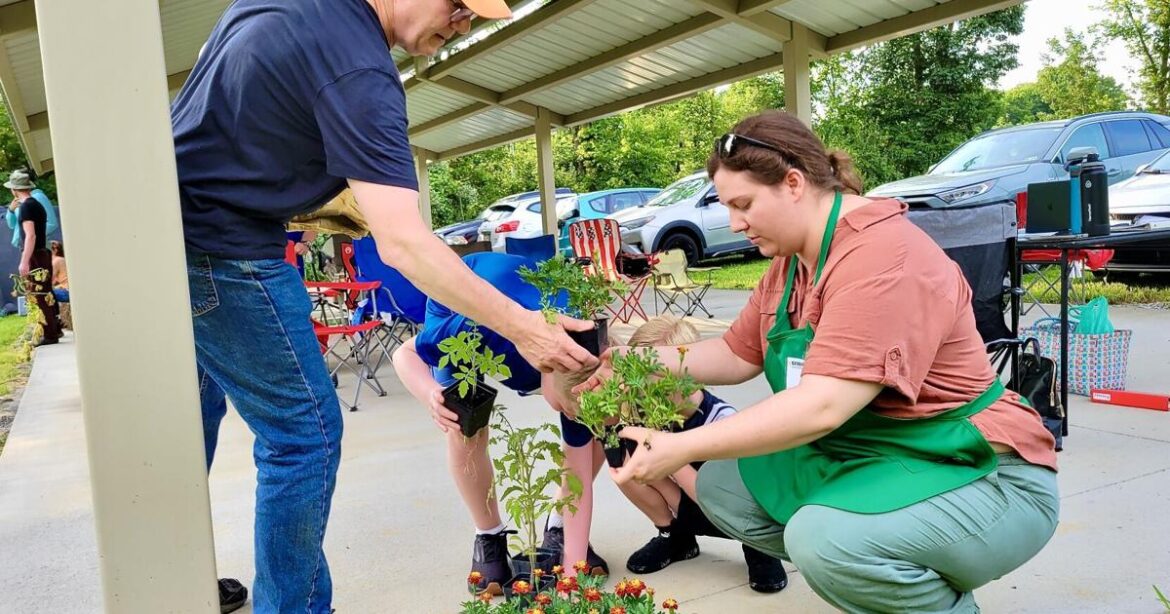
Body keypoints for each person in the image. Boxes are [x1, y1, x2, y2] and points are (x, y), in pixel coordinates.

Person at [170, 1, 596, 612]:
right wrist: (526, 329)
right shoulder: (361, 71)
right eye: (458, 3)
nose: (463, 21)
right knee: (305, 438)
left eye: (474, 14)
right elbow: (404, 245)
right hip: (226, 250)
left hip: (171, 238)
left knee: (188, 423)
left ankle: (168, 580)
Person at [588, 110, 1060, 613]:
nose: (735, 223)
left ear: (793, 183)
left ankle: (896, 575)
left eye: (743, 204)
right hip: (871, 454)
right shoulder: (791, 263)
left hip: (980, 468)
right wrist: (632, 359)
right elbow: (734, 353)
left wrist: (680, 446)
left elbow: (822, 407)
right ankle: (888, 578)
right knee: (725, 487)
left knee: (825, 542)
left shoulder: (883, 257)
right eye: (728, 207)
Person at [393, 252, 610, 596]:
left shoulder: (585, 351)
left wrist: (573, 573)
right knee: (463, 424)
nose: (570, 415)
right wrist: (430, 393)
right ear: (546, 368)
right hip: (465, 302)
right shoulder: (473, 328)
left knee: (595, 433)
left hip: (534, 306)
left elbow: (579, 475)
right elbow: (404, 354)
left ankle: (558, 528)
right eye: (566, 409)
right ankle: (489, 535)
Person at [616, 316, 786, 593]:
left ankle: (759, 547)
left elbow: (716, 498)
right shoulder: (648, 412)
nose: (645, 394)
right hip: (690, 503)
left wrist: (671, 453)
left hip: (730, 507)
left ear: (690, 378)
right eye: (639, 384)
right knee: (623, 459)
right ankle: (675, 535)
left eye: (655, 385)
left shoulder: (721, 420)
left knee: (750, 499)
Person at [6, 170, 61, 346]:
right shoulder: (36, 204)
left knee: (39, 294)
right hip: (42, 253)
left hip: (35, 254)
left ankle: (49, 334)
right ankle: (55, 329)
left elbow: (30, 236)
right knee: (46, 292)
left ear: (14, 190)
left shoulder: (26, 207)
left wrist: (24, 261)